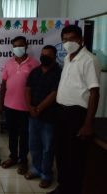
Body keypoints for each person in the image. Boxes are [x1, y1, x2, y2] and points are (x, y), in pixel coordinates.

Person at [47, 25, 100, 194]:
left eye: (72, 39)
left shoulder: (89, 60)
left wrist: (88, 124)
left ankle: (72, 190)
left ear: (81, 40)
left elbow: (94, 93)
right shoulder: (68, 59)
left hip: (76, 115)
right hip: (61, 112)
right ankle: (63, 188)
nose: (68, 43)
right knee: (61, 153)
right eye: (64, 39)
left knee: (74, 157)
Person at [0, 36, 39, 175]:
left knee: (25, 135)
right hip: (9, 106)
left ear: (26, 46)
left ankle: (23, 161)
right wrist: (0, 104)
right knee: (12, 134)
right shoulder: (9, 63)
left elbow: (38, 86)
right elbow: (3, 84)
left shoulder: (34, 63)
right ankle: (13, 157)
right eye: (15, 46)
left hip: (26, 107)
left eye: (20, 45)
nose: (18, 48)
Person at [25, 45, 61, 188]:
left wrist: (39, 108)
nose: (44, 56)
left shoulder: (59, 73)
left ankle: (46, 174)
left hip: (49, 117)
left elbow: (54, 93)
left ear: (54, 56)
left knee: (47, 147)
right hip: (33, 115)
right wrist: (30, 107)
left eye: (48, 54)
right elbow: (27, 89)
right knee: (34, 145)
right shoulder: (35, 72)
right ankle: (35, 169)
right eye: (43, 54)